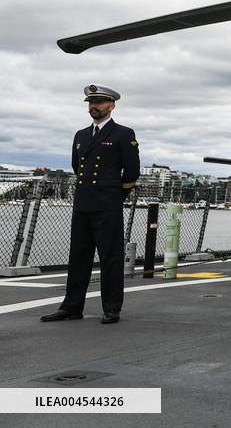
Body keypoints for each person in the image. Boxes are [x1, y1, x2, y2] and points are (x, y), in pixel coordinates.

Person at [41, 85, 140, 325]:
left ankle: (112, 308)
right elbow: (77, 166)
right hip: (83, 203)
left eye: (99, 103)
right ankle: (72, 306)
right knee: (78, 258)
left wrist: (116, 197)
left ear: (111, 106)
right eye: (90, 103)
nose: (94, 107)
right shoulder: (81, 135)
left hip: (108, 204)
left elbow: (132, 171)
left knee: (110, 258)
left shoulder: (123, 134)